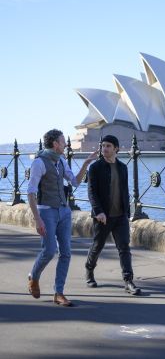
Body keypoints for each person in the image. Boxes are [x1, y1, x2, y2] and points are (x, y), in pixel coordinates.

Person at [27, 129, 97, 306]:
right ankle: (33, 276)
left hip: (64, 211)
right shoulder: (39, 163)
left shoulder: (61, 161)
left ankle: (59, 293)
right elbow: (30, 192)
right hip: (46, 212)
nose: (66, 144)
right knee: (49, 251)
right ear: (55, 144)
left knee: (65, 253)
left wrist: (85, 164)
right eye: (63, 141)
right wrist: (38, 219)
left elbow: (74, 182)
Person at [85, 134, 141, 295]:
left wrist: (127, 213)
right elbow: (91, 192)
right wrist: (98, 212)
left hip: (120, 216)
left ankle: (128, 281)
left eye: (108, 146)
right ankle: (89, 270)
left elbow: (125, 191)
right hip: (103, 216)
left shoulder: (123, 167)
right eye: (103, 146)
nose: (104, 149)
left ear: (116, 148)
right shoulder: (95, 167)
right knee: (98, 246)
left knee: (124, 248)